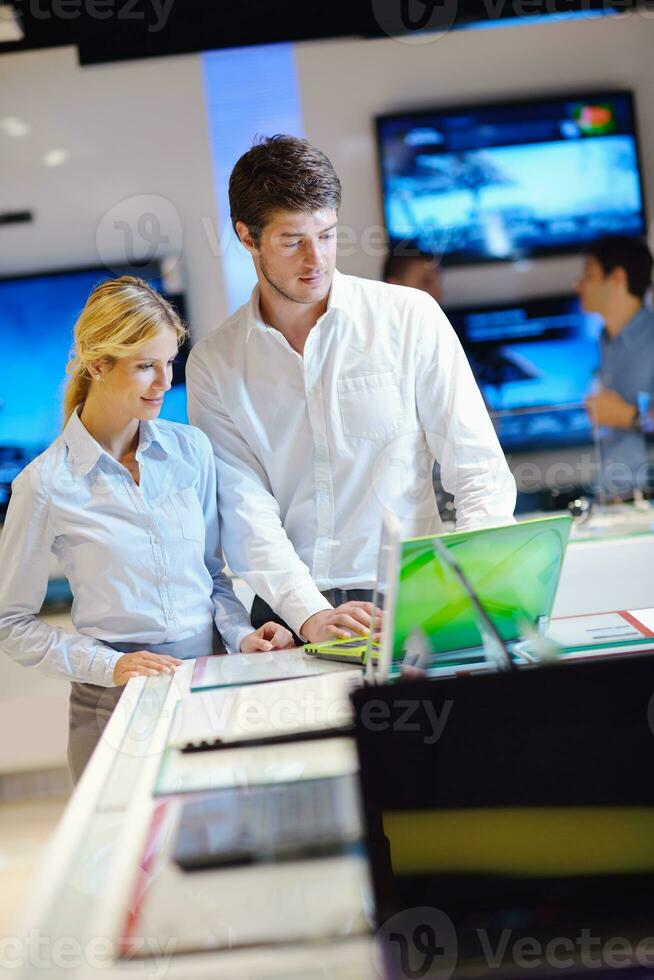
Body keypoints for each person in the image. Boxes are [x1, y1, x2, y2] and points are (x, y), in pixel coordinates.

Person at [186, 135, 516, 646]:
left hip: (412, 599)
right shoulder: (216, 362)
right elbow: (244, 510)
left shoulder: (409, 318)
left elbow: (478, 470)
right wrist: (309, 613)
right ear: (247, 237)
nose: (315, 259)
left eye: (328, 234)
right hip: (288, 616)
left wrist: (466, 587)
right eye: (292, 240)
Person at [0, 277, 291, 783]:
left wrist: (242, 636)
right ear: (97, 364)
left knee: (214, 843)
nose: (164, 382)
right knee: (128, 861)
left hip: (208, 684)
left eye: (168, 364)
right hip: (111, 705)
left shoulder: (191, 451)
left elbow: (211, 576)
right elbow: (11, 622)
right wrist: (109, 666)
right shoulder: (44, 484)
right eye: (145, 367)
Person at [577, 235, 654, 499]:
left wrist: (629, 416)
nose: (579, 285)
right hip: (613, 495)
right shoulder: (605, 341)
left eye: (589, 275)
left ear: (618, 278)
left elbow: (623, 415)